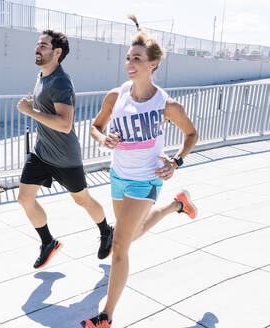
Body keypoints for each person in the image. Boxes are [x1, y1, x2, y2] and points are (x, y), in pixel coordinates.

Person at [80, 15, 199, 328]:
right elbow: (95, 126)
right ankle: (178, 204)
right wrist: (103, 138)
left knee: (119, 246)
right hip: (118, 177)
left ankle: (105, 317)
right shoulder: (115, 96)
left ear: (153, 63)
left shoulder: (166, 105)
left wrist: (176, 161)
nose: (130, 63)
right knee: (129, 236)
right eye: (128, 58)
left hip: (146, 180)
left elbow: (191, 134)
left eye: (137, 59)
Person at [16, 30, 114, 270]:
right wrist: (33, 107)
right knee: (24, 198)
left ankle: (106, 231)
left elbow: (64, 124)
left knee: (82, 200)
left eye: (43, 45)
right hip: (41, 153)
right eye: (37, 44)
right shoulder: (42, 76)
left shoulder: (60, 81)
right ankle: (48, 242)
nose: (37, 48)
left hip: (65, 157)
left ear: (57, 52)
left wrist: (30, 111)